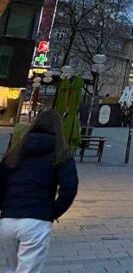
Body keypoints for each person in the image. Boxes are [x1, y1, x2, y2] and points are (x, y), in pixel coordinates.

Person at [0, 110, 79, 273]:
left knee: (10, 269)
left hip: (8, 220)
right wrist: (52, 212)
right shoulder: (61, 154)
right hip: (36, 221)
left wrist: (4, 208)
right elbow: (69, 189)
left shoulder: (14, 153)